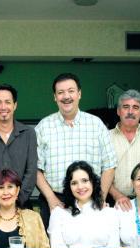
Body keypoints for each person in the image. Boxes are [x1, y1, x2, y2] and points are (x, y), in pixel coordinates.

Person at [35, 73, 117, 229]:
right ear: (55, 97)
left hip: (91, 201)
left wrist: (100, 198)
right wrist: (51, 199)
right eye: (61, 92)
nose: (66, 96)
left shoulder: (96, 125)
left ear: (79, 93)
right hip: (55, 201)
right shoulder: (43, 127)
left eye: (71, 91)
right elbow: (35, 169)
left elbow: (109, 165)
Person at [48, 161, 119, 248]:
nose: (80, 187)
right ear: (69, 187)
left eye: (85, 181)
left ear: (93, 182)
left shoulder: (110, 213)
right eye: (74, 183)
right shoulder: (58, 213)